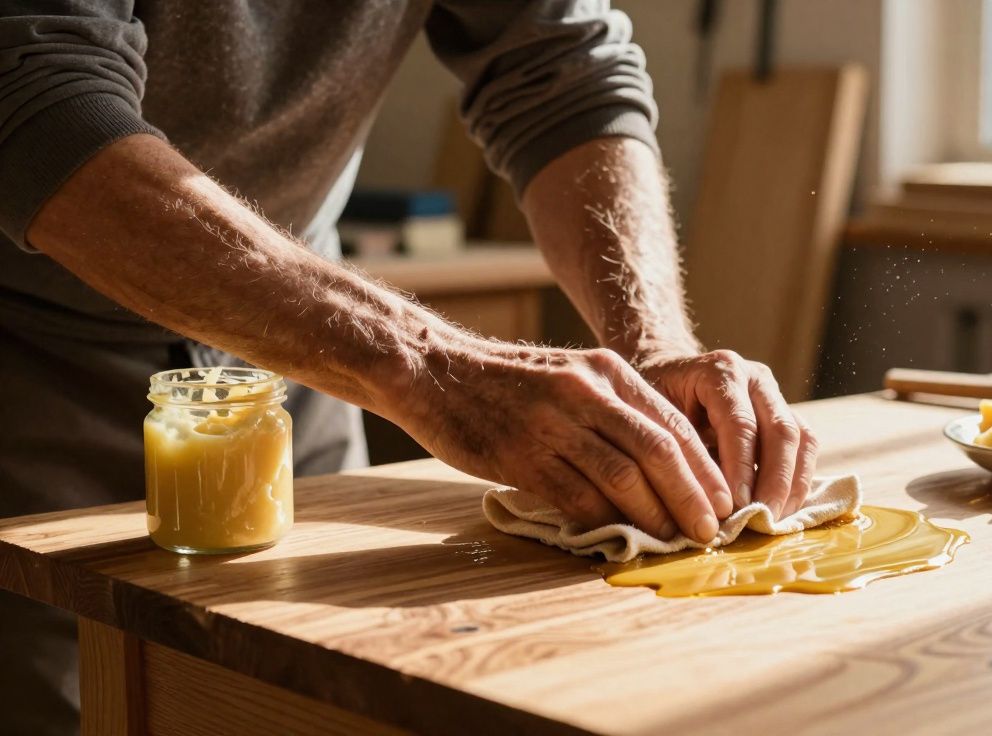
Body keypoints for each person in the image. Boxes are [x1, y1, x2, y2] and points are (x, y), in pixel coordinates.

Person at [0, 1, 818, 731]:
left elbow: (560, 72)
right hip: (30, 363)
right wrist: (423, 364)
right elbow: (37, 101)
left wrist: (652, 347)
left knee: (312, 697)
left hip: (292, 361)